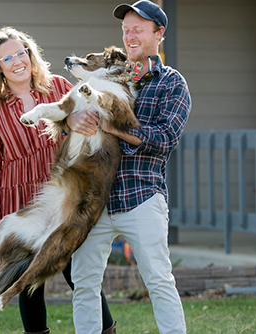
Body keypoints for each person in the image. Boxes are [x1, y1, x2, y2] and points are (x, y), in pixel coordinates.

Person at [0, 27, 116, 334]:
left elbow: (94, 128)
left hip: (64, 198)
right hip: (22, 204)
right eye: (7, 58)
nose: (17, 61)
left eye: (20, 52)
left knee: (81, 277)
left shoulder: (58, 87)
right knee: (28, 286)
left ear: (30, 54)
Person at [69, 1, 191, 333]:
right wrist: (72, 118)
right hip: (95, 201)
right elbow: (73, 120)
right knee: (84, 284)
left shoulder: (171, 84)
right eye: (125, 30)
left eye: (137, 29)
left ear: (159, 33)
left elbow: (165, 138)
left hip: (142, 197)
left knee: (159, 281)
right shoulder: (105, 75)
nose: (129, 36)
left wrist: (116, 129)